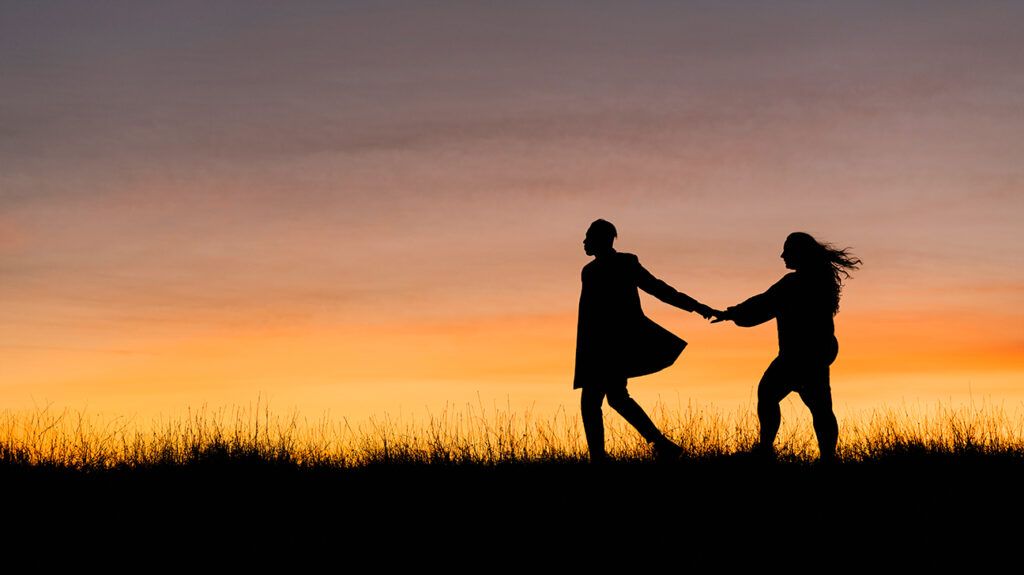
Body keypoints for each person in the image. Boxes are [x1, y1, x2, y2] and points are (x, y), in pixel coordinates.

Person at [574, 219, 717, 462]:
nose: (584, 242)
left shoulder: (626, 262)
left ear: (602, 239)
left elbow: (658, 289)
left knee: (596, 401)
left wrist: (695, 306)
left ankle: (602, 457)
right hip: (597, 346)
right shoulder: (589, 271)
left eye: (588, 237)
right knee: (615, 398)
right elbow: (587, 315)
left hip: (614, 345)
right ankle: (661, 444)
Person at [712, 232, 861, 462]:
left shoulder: (795, 283)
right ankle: (828, 458)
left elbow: (764, 303)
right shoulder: (820, 281)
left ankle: (765, 450)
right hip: (818, 352)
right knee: (820, 406)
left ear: (799, 254)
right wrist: (734, 314)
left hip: (798, 354)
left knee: (769, 394)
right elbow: (766, 304)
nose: (782, 255)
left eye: (787, 251)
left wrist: (731, 313)